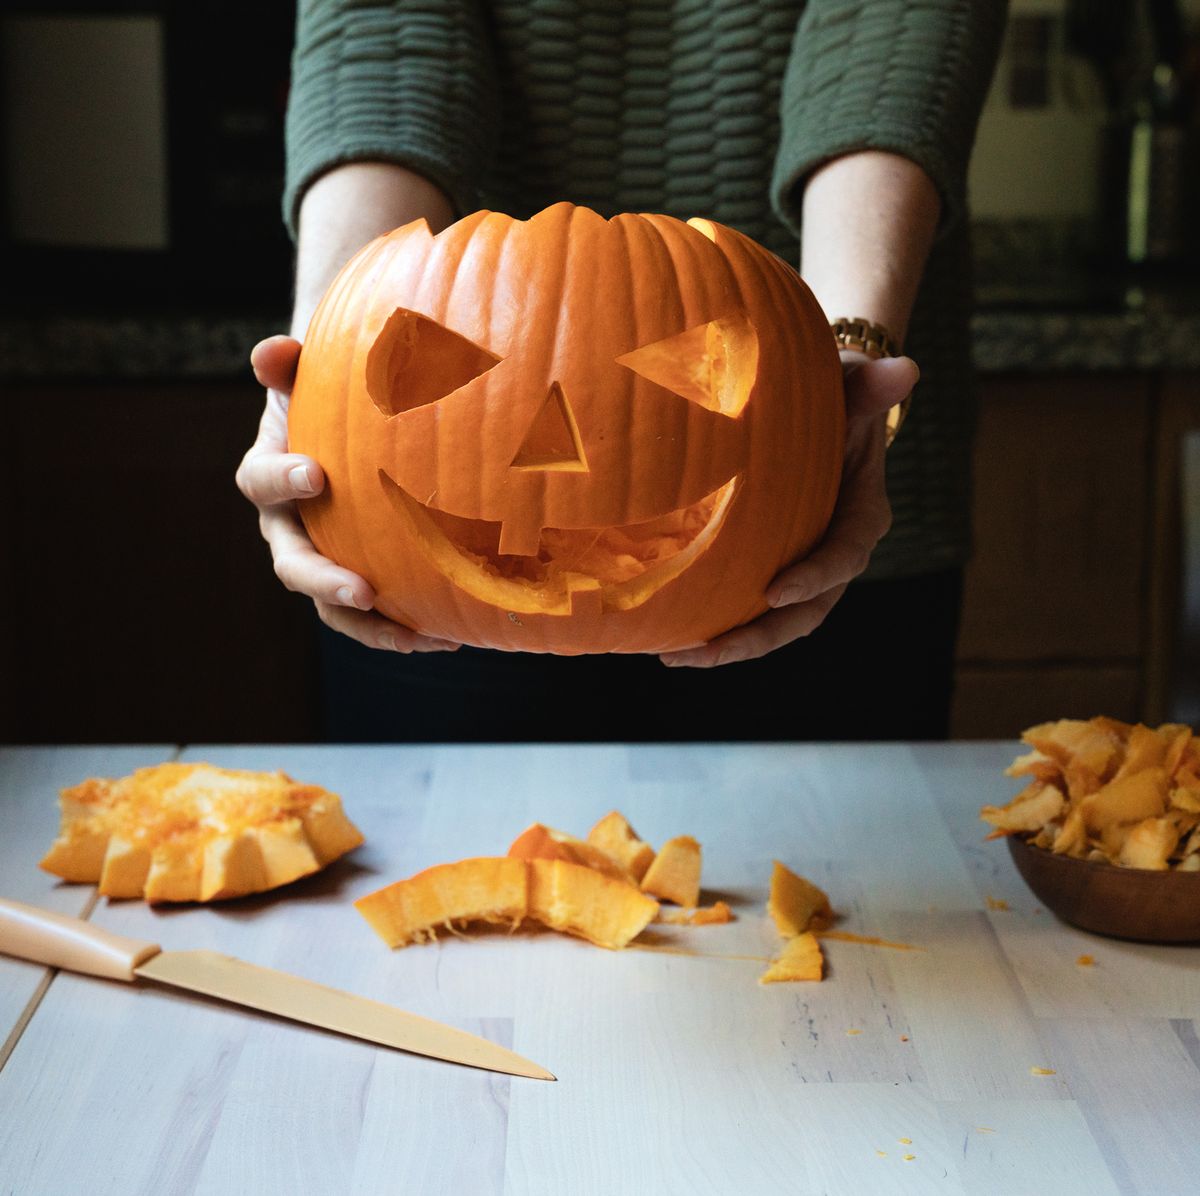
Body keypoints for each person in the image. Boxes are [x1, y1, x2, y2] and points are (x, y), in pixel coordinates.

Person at [237, 0, 1007, 743]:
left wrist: (843, 370)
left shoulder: (812, 417)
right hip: (447, 383)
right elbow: (387, 45)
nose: (558, 454)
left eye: (676, 376)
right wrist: (328, 378)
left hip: (809, 439)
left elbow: (893, 34)